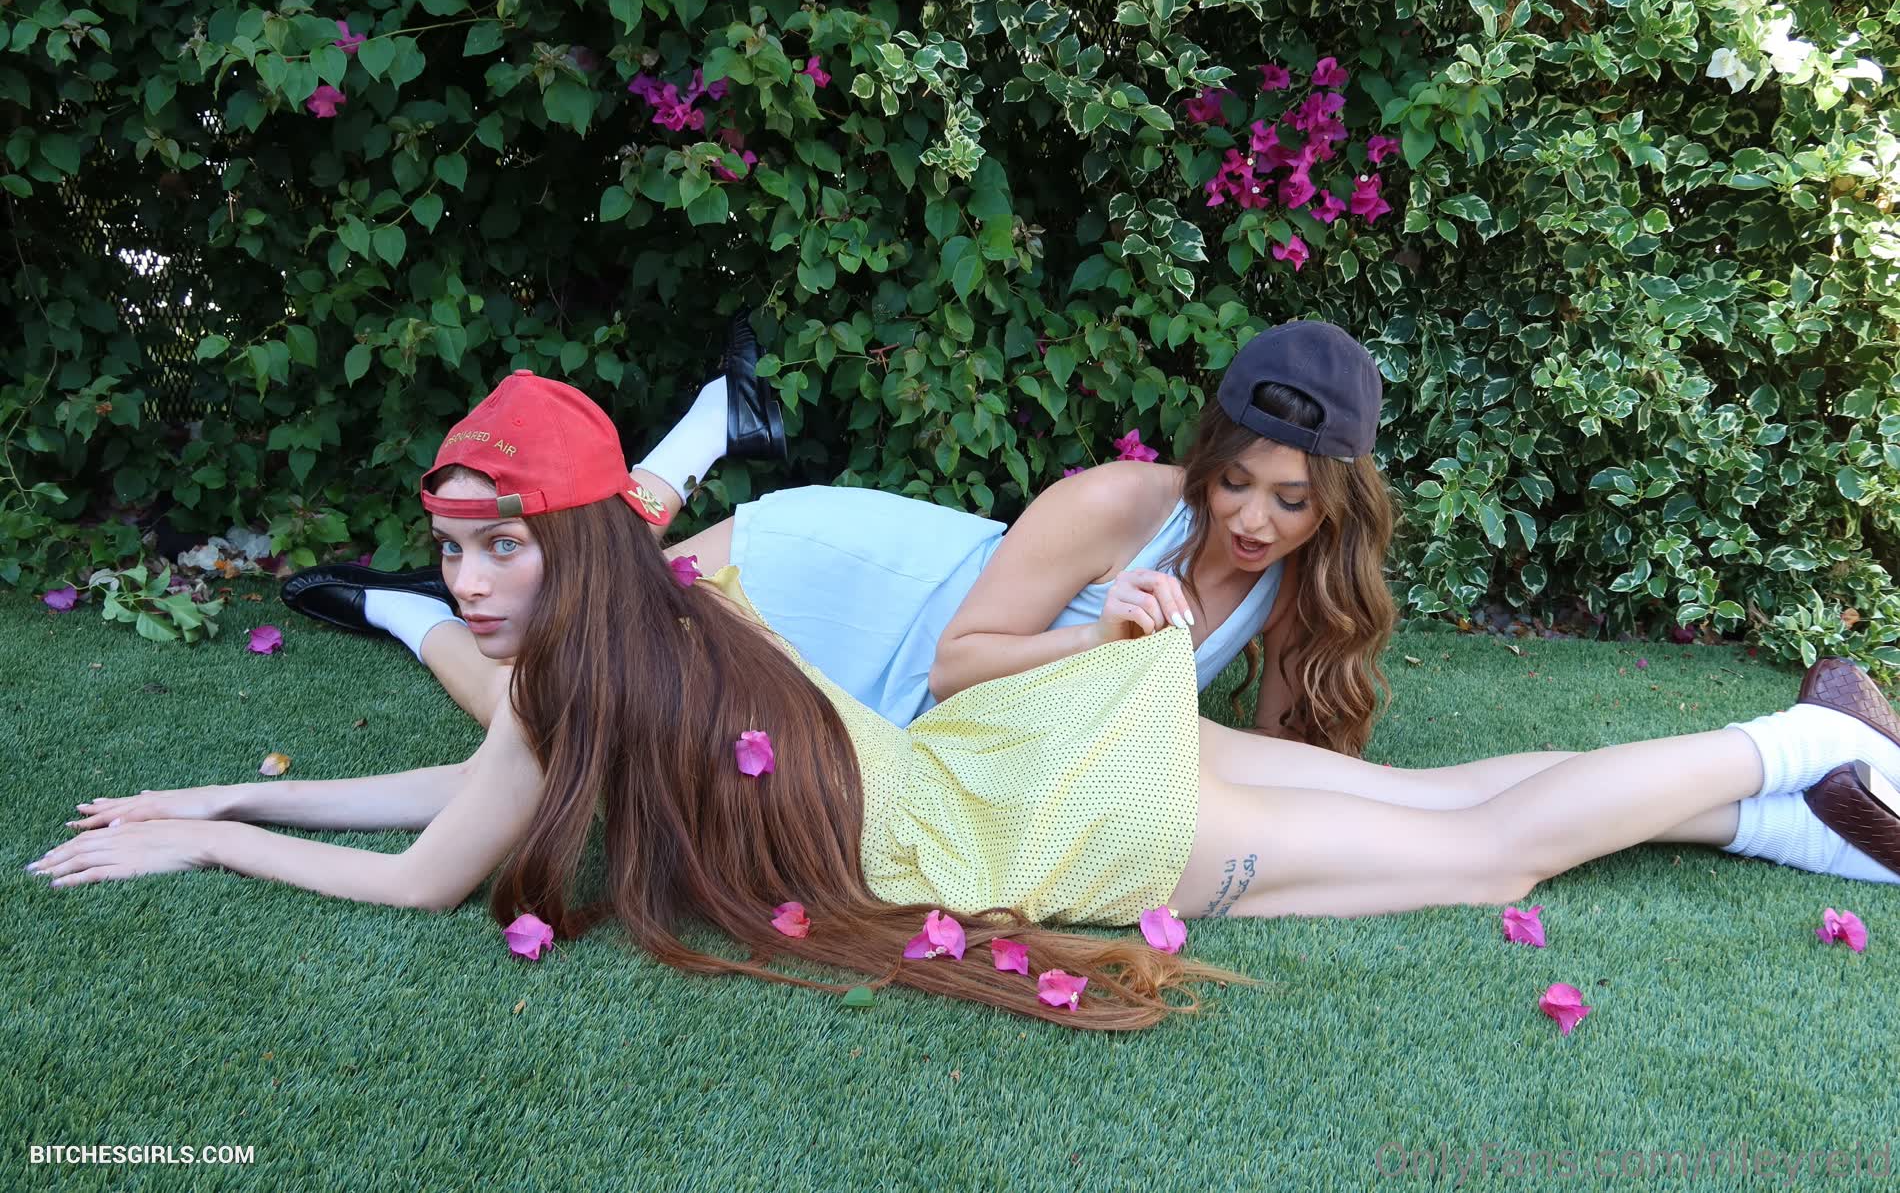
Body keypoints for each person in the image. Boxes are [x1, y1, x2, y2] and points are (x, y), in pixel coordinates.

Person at [29, 372, 1900, 1031]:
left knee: (1476, 847)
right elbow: (448, 808)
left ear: (578, 542)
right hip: (1021, 768)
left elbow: (428, 868)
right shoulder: (635, 631)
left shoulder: (603, 653)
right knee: (1438, 810)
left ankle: (1801, 746)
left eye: (495, 549)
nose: (472, 586)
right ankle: (1795, 813)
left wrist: (212, 841)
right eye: (451, 558)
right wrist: (217, 797)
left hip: (1048, 815)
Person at [284, 320, 1397, 756]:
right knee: (549, 702)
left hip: (901, 691)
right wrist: (1102, 638)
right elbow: (955, 667)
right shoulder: (1120, 505)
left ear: (1334, 506)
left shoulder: (1294, 579)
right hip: (849, 586)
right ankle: (413, 612)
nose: (1252, 521)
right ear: (1205, 459)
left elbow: (1282, 756)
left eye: (1291, 500)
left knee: (583, 669)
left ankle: (715, 418)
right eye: (1234, 483)